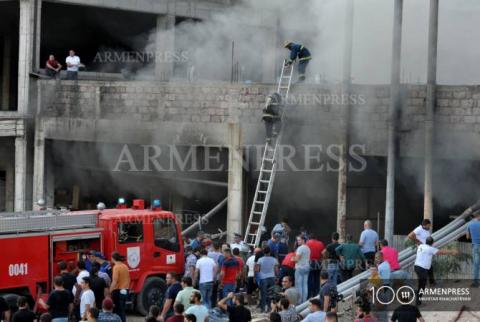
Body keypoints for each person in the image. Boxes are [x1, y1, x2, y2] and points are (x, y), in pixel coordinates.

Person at [414, 236, 458, 305]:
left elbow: (417, 244)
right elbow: (441, 252)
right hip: (422, 269)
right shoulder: (430, 249)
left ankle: (431, 282)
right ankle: (418, 302)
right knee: (422, 285)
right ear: (432, 243)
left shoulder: (421, 246)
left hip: (416, 267)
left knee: (430, 268)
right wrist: (452, 251)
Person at [256, 246, 279, 312]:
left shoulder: (260, 259)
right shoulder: (274, 259)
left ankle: (263, 309)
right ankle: (269, 307)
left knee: (263, 294)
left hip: (263, 278)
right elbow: (276, 270)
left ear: (263, 252)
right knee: (271, 293)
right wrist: (277, 277)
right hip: (271, 277)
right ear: (270, 252)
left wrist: (258, 278)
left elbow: (257, 269)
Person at [109, 252, 130, 322]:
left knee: (117, 311)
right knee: (122, 311)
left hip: (118, 291)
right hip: (125, 290)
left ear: (113, 258)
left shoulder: (116, 267)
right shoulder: (125, 266)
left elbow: (114, 281)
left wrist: (110, 291)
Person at [292, 235, 310, 304]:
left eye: (299, 240)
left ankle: (299, 302)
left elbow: (297, 259)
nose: (297, 241)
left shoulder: (300, 248)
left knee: (298, 285)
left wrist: (292, 258)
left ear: (303, 240)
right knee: (305, 285)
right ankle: (304, 301)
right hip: (306, 267)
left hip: (300, 267)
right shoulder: (308, 248)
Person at [306, 233, 325, 297]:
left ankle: (309, 295)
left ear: (309, 238)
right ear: (315, 238)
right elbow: (324, 253)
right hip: (318, 262)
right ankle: (316, 294)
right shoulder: (320, 243)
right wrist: (322, 260)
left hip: (310, 262)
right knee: (317, 279)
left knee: (310, 278)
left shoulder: (307, 243)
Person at [207, 241, 224, 307]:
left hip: (207, 276)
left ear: (213, 247)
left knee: (208, 292)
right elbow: (220, 267)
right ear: (219, 247)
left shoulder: (209, 254)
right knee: (214, 292)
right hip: (216, 276)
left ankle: (208, 305)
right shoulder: (221, 256)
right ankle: (213, 305)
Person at [466, 210, 480, 287]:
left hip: (475, 246)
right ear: (478, 216)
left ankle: (475, 283)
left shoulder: (469, 224)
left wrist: (474, 237)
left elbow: (467, 237)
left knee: (476, 265)